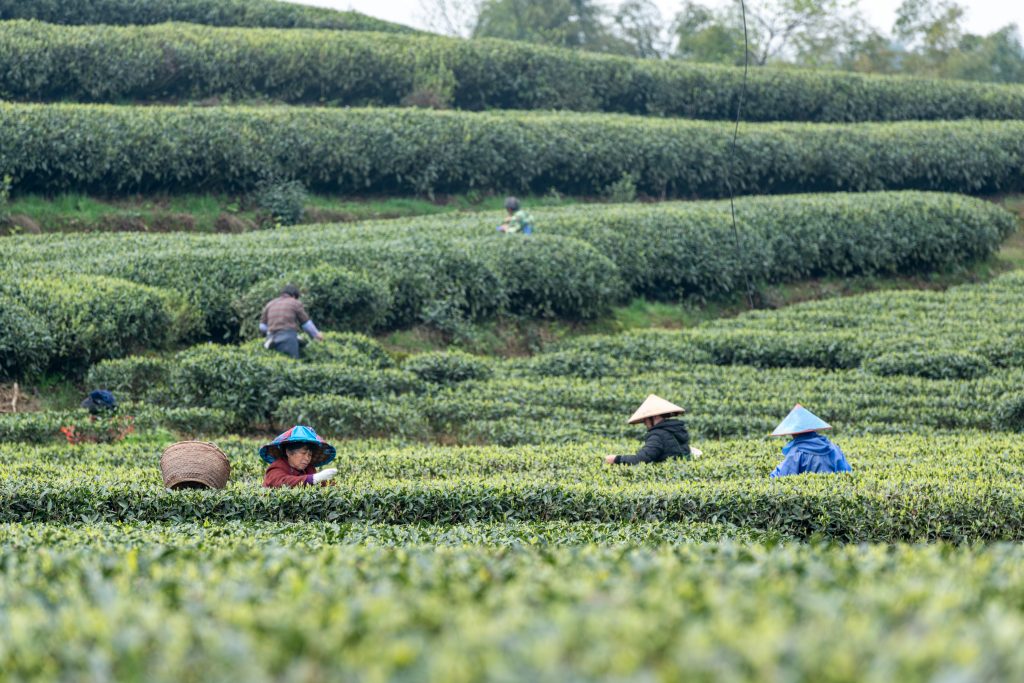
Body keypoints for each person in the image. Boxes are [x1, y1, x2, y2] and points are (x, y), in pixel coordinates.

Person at [605, 394, 701, 465]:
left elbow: (642, 460)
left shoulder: (657, 435)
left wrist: (616, 459)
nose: (645, 423)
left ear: (653, 417)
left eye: (646, 419)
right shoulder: (676, 429)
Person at [769, 404, 852, 478]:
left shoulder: (796, 453)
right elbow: (847, 473)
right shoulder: (833, 448)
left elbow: (781, 477)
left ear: (794, 433)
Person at [261, 425, 339, 488]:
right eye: (303, 453)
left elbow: (320, 484)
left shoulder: (309, 468)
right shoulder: (276, 468)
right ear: (288, 452)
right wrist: (314, 478)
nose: (307, 458)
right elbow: (282, 482)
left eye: (310, 455)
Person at [259, 284, 324, 359]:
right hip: (287, 338)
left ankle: (272, 341)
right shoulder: (295, 303)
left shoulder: (270, 304)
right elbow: (306, 324)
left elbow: (262, 326)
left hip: (271, 337)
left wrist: (273, 329)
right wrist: (317, 335)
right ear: (294, 296)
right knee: (291, 364)